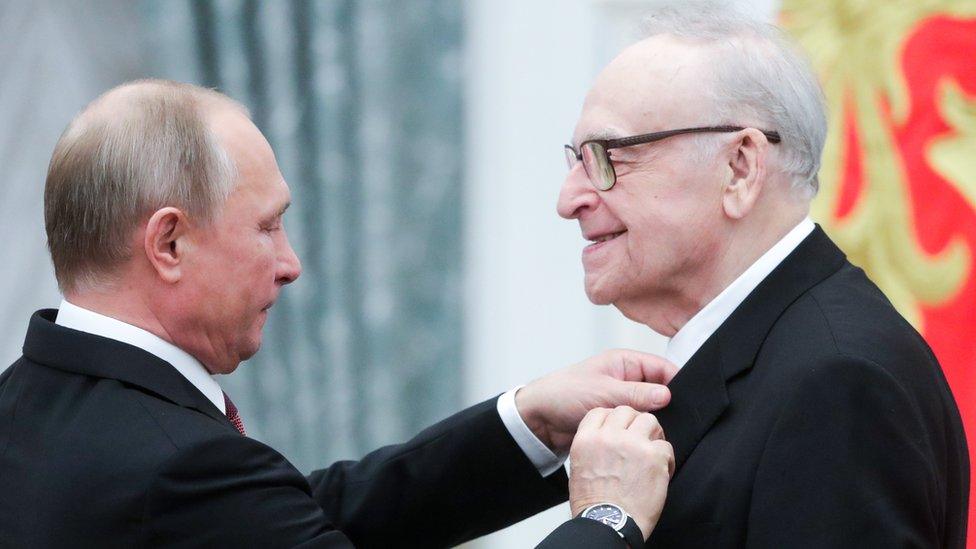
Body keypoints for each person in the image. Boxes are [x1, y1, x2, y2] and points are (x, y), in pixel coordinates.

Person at [0, 80, 675, 548]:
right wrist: (606, 517)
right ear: (169, 243)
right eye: (267, 227)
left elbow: (301, 514)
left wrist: (526, 421)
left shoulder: (28, 398)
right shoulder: (181, 469)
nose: (290, 263)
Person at [557, 3, 968, 548]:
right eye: (576, 161)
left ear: (740, 168)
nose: (570, 200)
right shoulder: (776, 355)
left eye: (609, 157)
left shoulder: (837, 381)